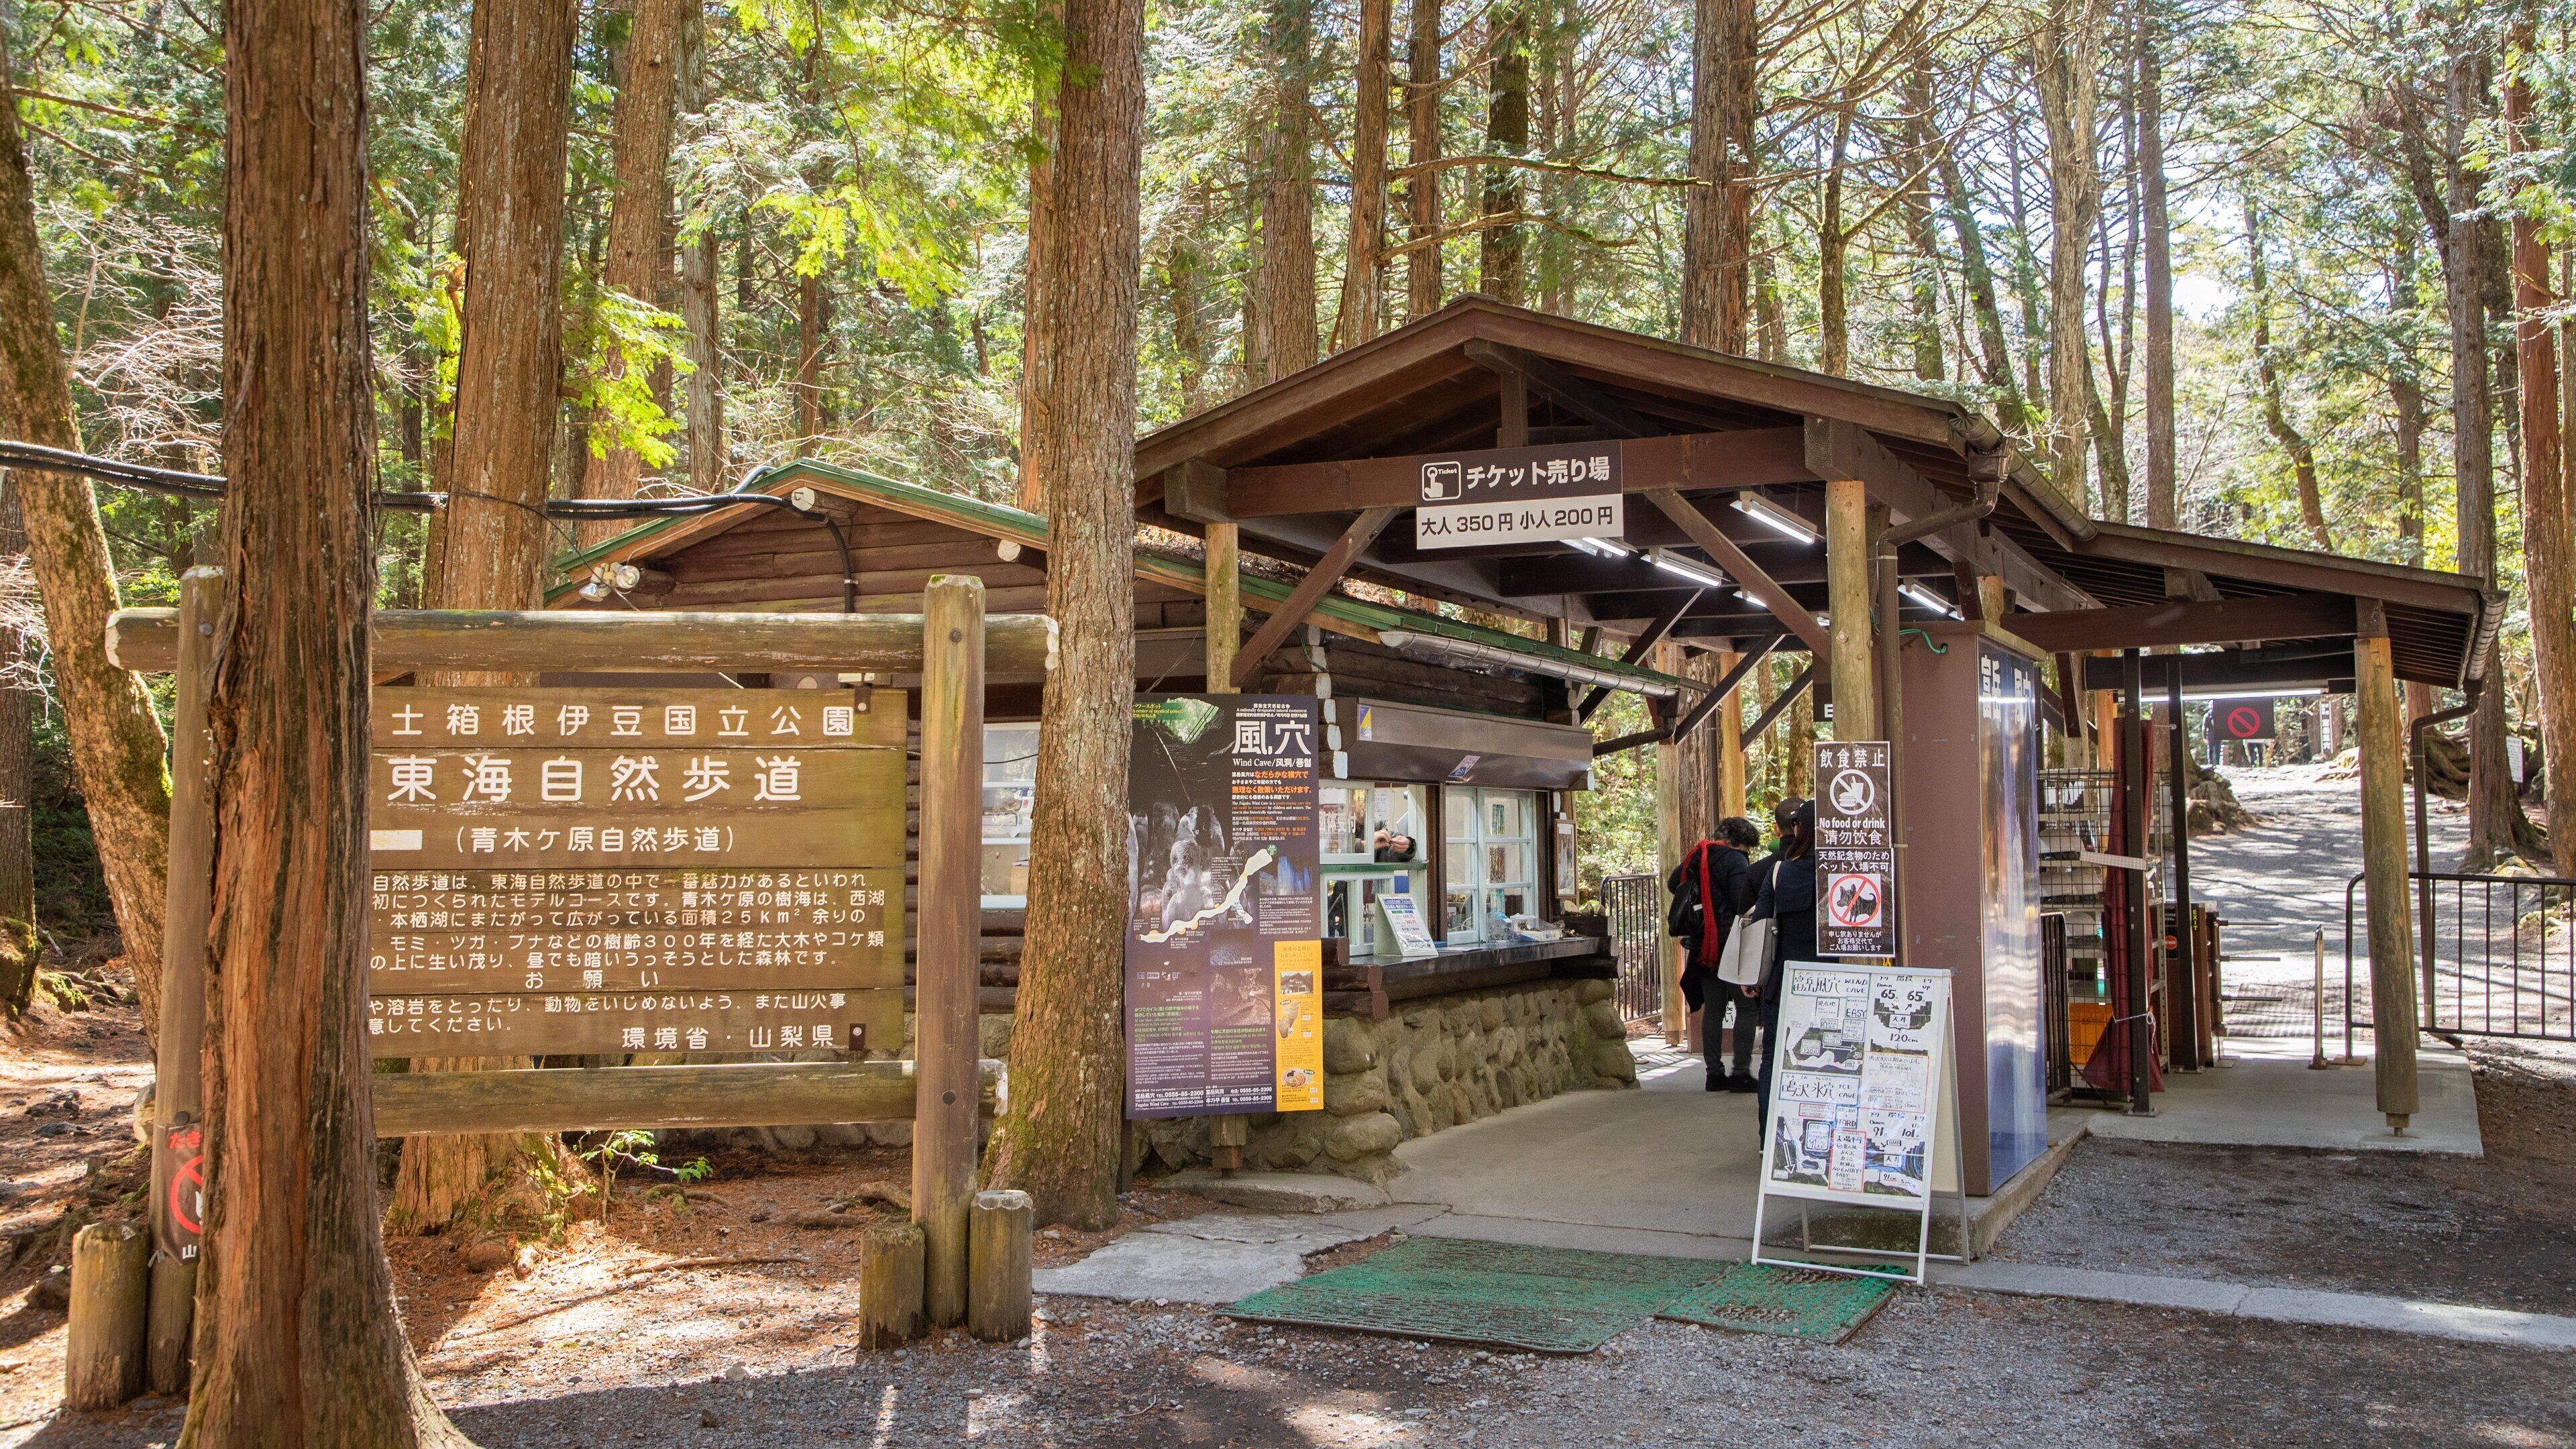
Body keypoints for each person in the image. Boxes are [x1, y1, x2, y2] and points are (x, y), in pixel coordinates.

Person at [1666, 816, 1762, 1091]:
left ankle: (1714, 1073)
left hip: (1701, 945)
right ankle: (1741, 1072)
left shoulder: (1698, 855)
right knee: (1745, 1007)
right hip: (1729, 944)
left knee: (1713, 1010)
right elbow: (1740, 901)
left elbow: (1676, 883)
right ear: (1740, 842)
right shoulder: (1736, 861)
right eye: (1747, 848)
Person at [1746, 798, 1817, 1134]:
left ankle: (1769, 1138)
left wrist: (1753, 975)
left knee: (1774, 1059)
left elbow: (1760, 924)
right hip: (1838, 981)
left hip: (1785, 979)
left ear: (1797, 830)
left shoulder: (1779, 872)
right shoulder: (1845, 875)